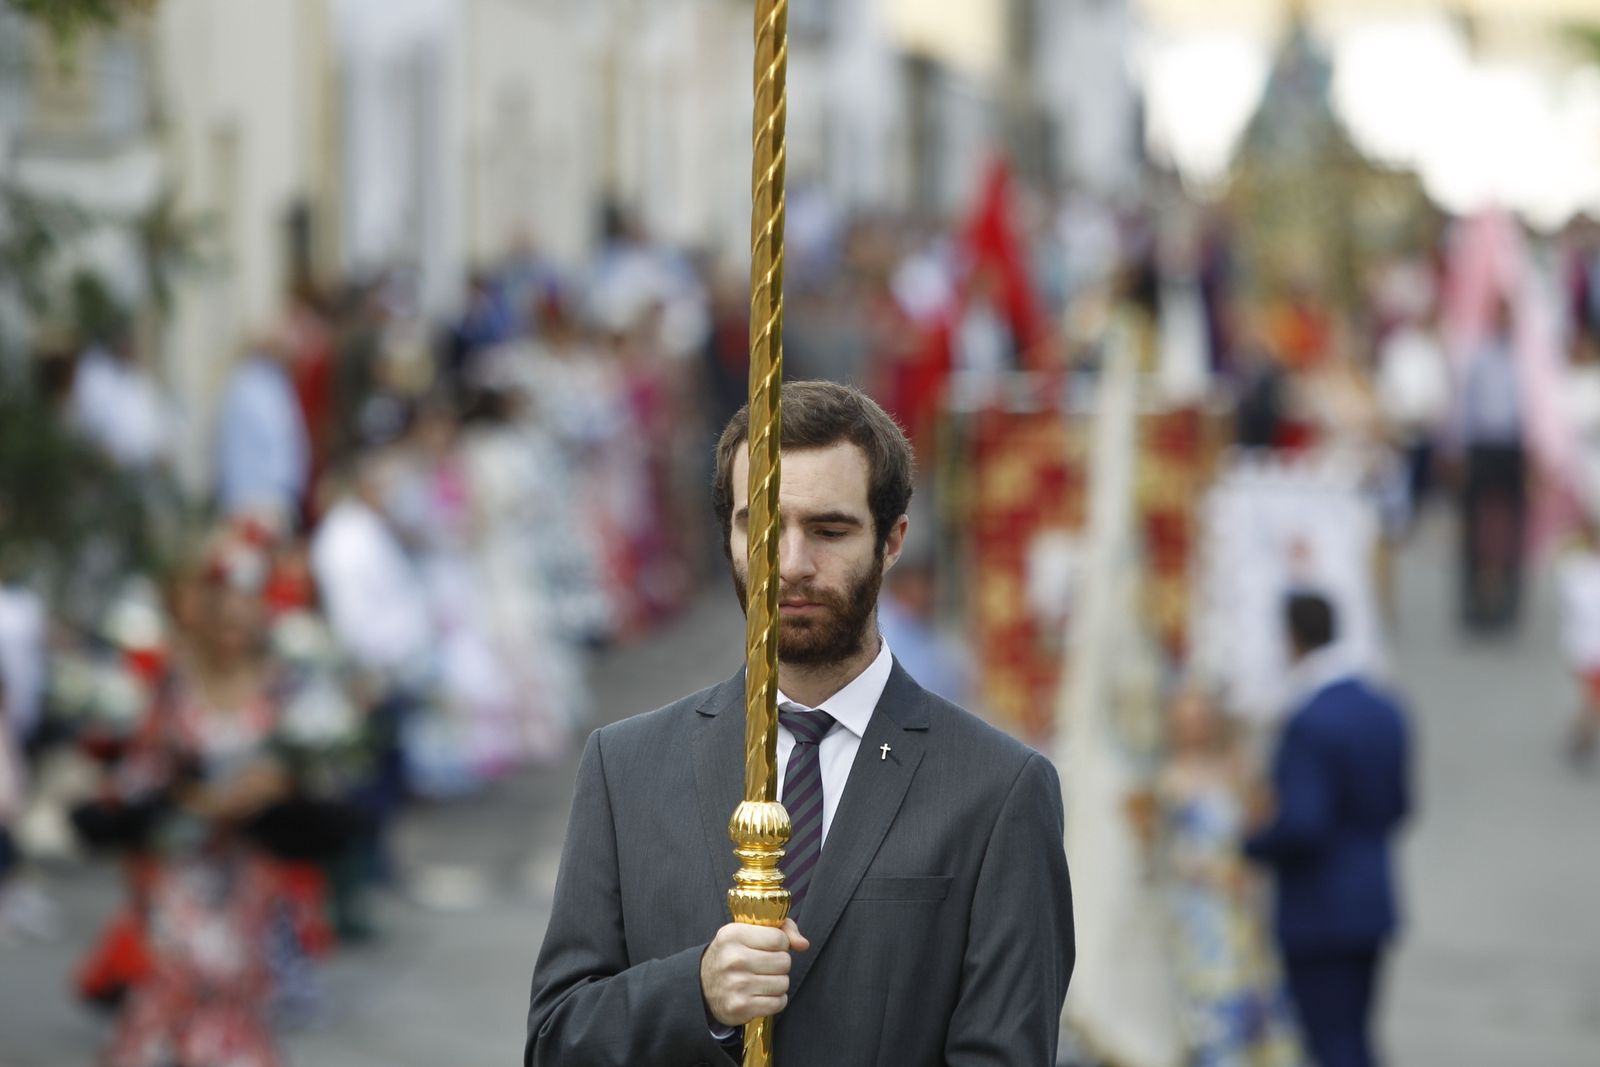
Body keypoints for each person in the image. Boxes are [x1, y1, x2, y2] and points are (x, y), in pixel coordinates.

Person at [525, 381, 1074, 1066]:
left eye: (829, 530)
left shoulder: (999, 791)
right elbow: (554, 1040)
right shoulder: (624, 766)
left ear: (892, 539)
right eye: (761, 526)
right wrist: (695, 992)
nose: (791, 565)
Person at [1245, 592, 1410, 1067]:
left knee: (1331, 1042)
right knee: (1356, 1034)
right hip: (1373, 897)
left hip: (1318, 910)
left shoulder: (1308, 720)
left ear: (1292, 638)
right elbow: (1401, 804)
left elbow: (1302, 823)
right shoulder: (1385, 708)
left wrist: (1250, 844)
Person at [1157, 685, 1303, 1067]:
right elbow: (1158, 848)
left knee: (1248, 1009)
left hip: (1236, 910)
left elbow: (1263, 826)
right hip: (1191, 910)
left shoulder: (1234, 771)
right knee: (1199, 1011)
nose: (1194, 729)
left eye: (1201, 719)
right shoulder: (1163, 777)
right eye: (1186, 720)